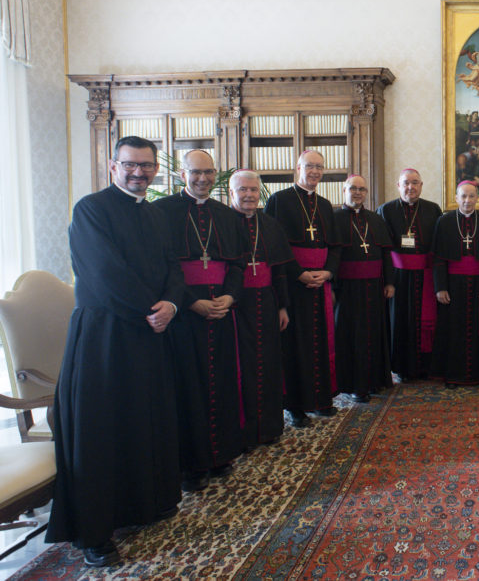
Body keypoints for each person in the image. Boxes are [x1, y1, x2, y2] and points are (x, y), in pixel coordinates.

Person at [48, 136, 184, 567]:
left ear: (156, 170)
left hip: (148, 333)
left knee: (144, 420)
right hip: (104, 338)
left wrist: (172, 303)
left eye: (146, 166)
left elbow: (174, 268)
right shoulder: (91, 209)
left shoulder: (158, 214)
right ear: (113, 165)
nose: (138, 173)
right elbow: (105, 272)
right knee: (100, 432)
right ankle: (95, 533)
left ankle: (143, 506)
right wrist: (152, 308)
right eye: (130, 165)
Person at [153, 149, 246, 492]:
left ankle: (220, 454)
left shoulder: (226, 214)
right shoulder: (161, 213)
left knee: (220, 381)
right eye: (195, 172)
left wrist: (230, 298)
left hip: (220, 312)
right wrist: (192, 303)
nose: (202, 179)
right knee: (188, 387)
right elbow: (163, 268)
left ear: (216, 174)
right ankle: (191, 465)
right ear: (181, 174)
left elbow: (236, 265)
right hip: (182, 316)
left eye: (208, 172)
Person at [264, 150, 342, 427]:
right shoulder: (279, 200)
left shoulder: (324, 204)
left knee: (320, 342)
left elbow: (333, 246)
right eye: (310, 166)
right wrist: (299, 274)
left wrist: (328, 272)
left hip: (320, 283)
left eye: (320, 167)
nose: (315, 172)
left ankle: (320, 399)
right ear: (298, 167)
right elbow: (275, 245)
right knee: (295, 345)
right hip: (293, 284)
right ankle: (295, 406)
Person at [228, 169, 295, 448]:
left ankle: (269, 427)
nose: (249, 195)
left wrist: (282, 307)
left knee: (268, 362)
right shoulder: (224, 222)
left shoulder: (270, 224)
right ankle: (242, 432)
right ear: (232, 192)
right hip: (236, 305)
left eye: (253, 190)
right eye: (242, 190)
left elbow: (279, 270)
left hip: (266, 303)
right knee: (239, 366)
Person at [377, 169, 443, 382]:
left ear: (421, 185)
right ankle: (402, 368)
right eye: (406, 183)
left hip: (425, 275)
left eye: (415, 183)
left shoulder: (433, 209)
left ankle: (426, 365)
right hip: (398, 276)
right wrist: (387, 280)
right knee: (400, 321)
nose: (410, 187)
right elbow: (383, 250)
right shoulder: (385, 210)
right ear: (398, 185)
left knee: (426, 321)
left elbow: (437, 246)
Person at [334, 175, 395, 403]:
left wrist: (389, 282)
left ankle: (375, 380)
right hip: (347, 289)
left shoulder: (375, 219)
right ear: (344, 191)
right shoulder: (335, 218)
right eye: (353, 188)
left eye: (362, 189)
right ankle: (354, 385)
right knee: (352, 335)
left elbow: (387, 253)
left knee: (375, 332)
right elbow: (332, 255)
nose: (358, 193)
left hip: (375, 287)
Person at [432, 181, 479, 387]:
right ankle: (452, 375)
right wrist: (440, 287)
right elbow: (438, 258)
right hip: (452, 284)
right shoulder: (444, 222)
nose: (467, 201)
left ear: (477, 198)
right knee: (452, 328)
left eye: (471, 196)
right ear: (456, 198)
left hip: (478, 284)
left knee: (478, 329)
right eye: (463, 196)